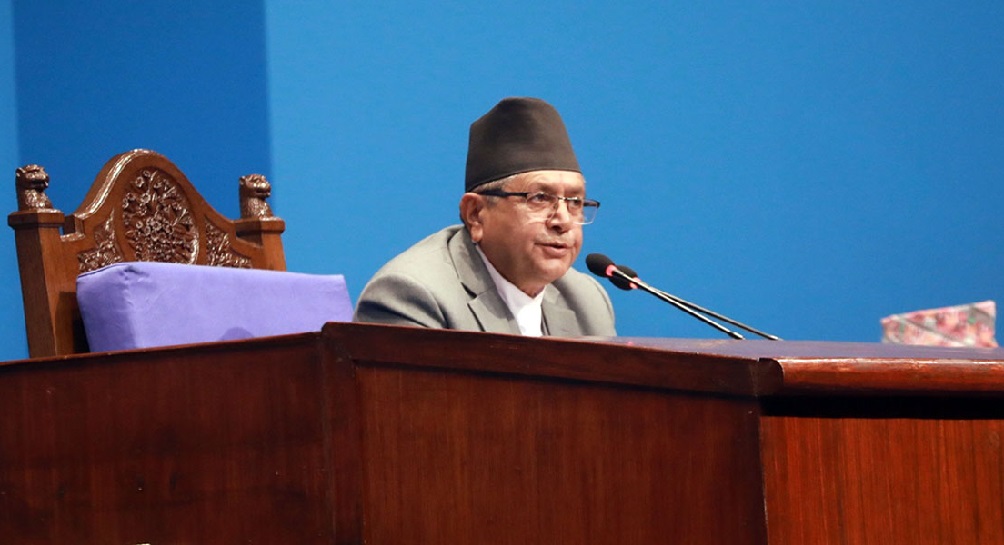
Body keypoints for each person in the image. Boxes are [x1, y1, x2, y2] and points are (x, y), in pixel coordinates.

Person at [353, 97, 616, 337]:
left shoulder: (587, 302)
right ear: (476, 214)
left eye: (575, 202)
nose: (563, 221)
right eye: (539, 198)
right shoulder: (413, 297)